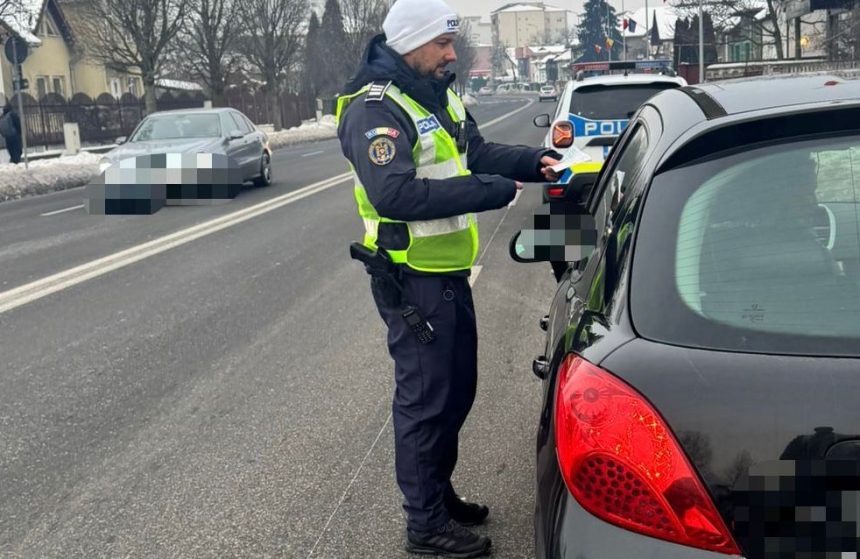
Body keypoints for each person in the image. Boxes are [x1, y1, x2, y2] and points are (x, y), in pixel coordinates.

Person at [336, 0, 561, 556]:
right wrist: (489, 191)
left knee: (456, 393)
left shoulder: (438, 95)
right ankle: (424, 525)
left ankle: (437, 493)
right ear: (411, 43)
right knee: (425, 400)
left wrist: (535, 163)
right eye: (442, 44)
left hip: (447, 274)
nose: (451, 54)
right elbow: (396, 193)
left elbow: (476, 150)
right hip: (411, 279)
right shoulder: (375, 110)